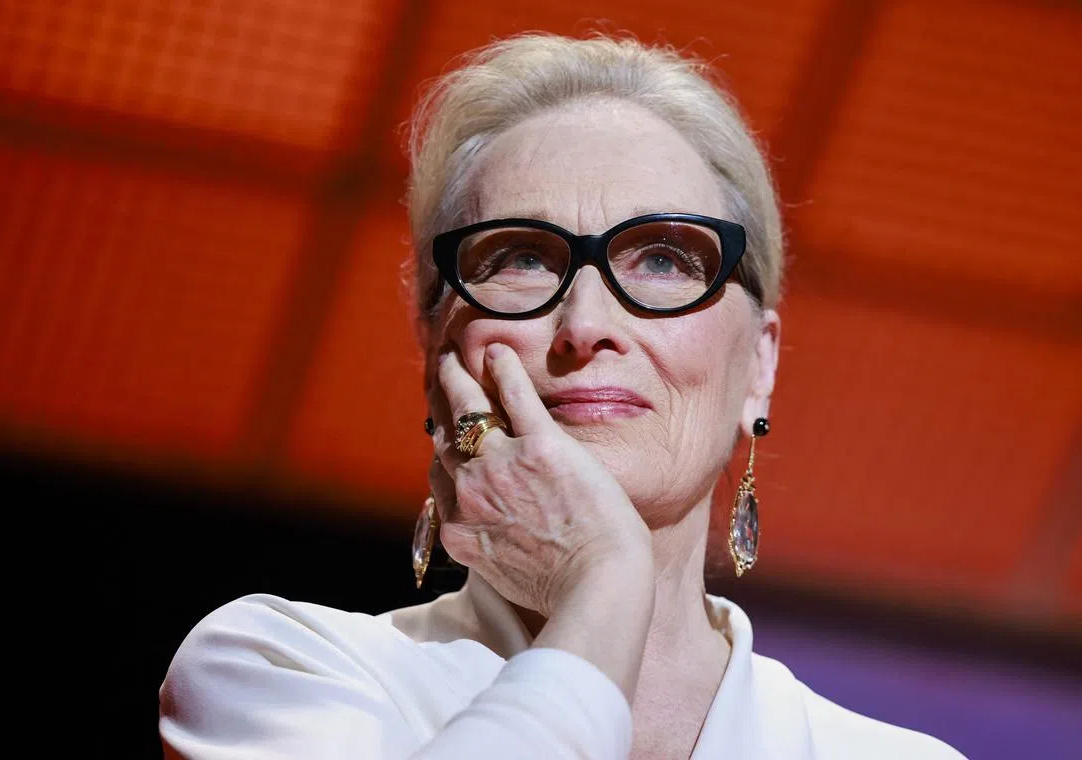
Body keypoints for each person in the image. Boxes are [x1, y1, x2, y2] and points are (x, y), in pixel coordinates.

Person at [159, 34, 967, 759]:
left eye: (663, 261)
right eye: (520, 257)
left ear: (758, 363)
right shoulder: (276, 670)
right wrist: (603, 584)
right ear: (435, 351)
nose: (585, 325)